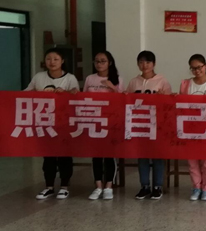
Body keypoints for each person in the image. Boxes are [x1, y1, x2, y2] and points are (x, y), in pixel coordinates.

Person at [27, 47, 79, 200]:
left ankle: (64, 186)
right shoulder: (39, 77)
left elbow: (76, 97)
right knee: (48, 156)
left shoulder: (70, 78)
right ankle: (49, 186)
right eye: (48, 59)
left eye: (56, 59)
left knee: (64, 155)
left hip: (64, 123)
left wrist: (66, 93)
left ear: (62, 61)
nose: (52, 62)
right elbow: (26, 93)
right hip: (44, 122)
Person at [126, 50, 172, 200]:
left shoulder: (162, 81)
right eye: (141, 62)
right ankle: (144, 186)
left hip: (156, 123)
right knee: (142, 155)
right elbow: (127, 100)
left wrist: (162, 98)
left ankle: (157, 186)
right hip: (139, 122)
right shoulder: (134, 82)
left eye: (148, 62)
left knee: (157, 155)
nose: (144, 65)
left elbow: (169, 103)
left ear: (154, 64)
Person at [179, 54, 206, 202]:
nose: (197, 71)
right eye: (193, 68)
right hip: (189, 127)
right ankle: (196, 186)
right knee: (192, 160)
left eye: (199, 67)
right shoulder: (185, 84)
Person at [84, 51, 123, 200]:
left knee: (109, 155)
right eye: (97, 61)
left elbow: (122, 100)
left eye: (103, 61)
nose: (99, 64)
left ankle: (109, 186)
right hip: (93, 121)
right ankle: (98, 186)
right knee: (96, 155)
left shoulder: (117, 79)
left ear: (110, 63)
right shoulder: (90, 78)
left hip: (110, 122)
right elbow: (83, 98)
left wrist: (112, 87)